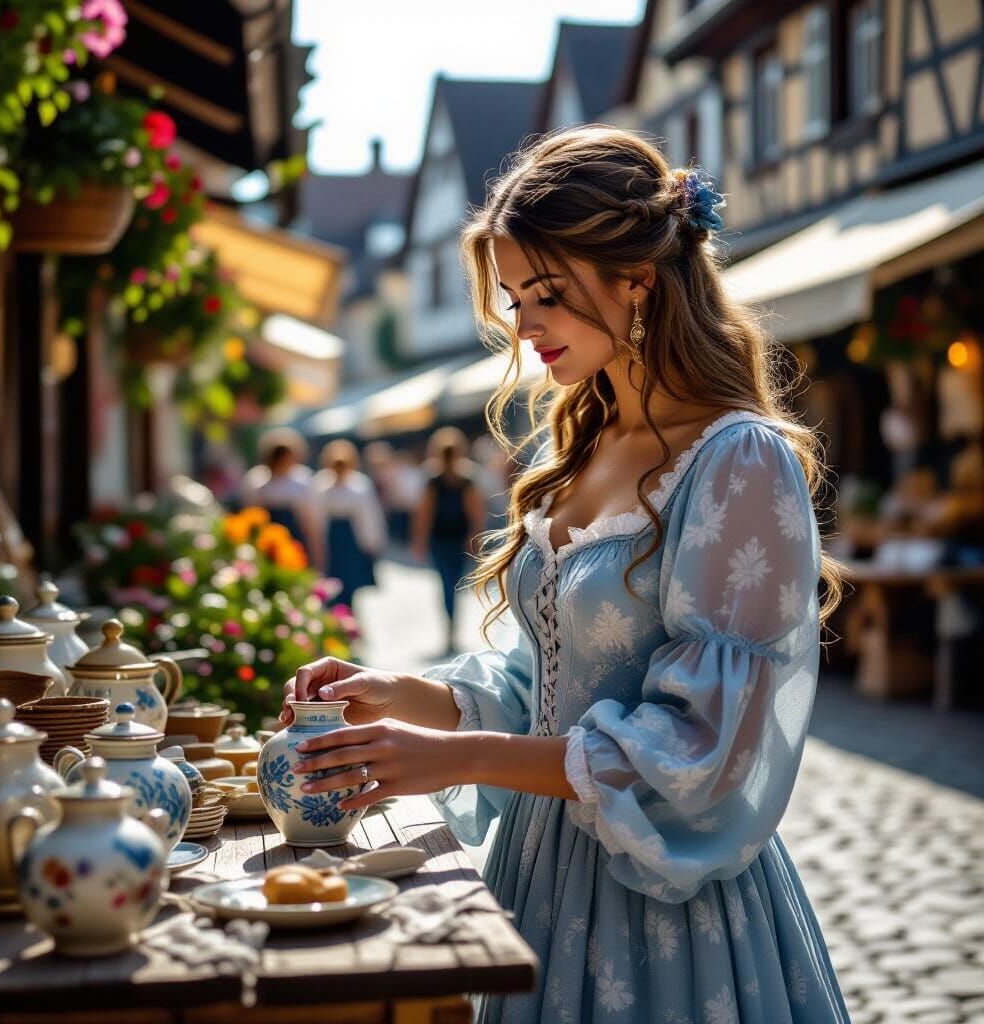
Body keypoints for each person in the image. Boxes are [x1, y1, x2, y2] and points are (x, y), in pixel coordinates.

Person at [281, 127, 849, 1023]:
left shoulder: (739, 461)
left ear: (639, 279)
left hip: (665, 912)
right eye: (512, 298)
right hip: (537, 875)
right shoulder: (575, 448)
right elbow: (536, 685)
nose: (523, 324)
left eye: (544, 293)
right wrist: (396, 694)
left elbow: (701, 747)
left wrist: (452, 758)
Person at [411, 426, 487, 655]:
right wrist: (476, 540)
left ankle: (450, 630)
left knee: (447, 587)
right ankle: (452, 631)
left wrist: (419, 541)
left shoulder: (436, 479)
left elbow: (424, 514)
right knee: (453, 586)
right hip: (454, 539)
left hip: (443, 540)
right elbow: (476, 515)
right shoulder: (465, 478)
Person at [311, 439, 387, 610]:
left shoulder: (359, 484)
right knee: (334, 578)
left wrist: (372, 542)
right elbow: (317, 517)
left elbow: (369, 515)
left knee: (351, 580)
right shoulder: (321, 484)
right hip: (333, 537)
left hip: (351, 538)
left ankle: (347, 611)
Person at [238, 428, 326, 572]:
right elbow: (250, 515)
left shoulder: (302, 480)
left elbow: (312, 522)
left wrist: (318, 556)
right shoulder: (256, 480)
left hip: (295, 543)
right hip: (266, 544)